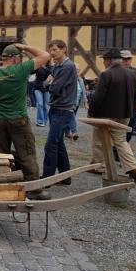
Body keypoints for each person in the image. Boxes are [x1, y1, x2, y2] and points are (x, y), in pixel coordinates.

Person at [0, 43, 52, 200]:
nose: (21, 60)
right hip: (18, 119)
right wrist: (25, 46)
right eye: (20, 58)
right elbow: (45, 56)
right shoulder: (21, 70)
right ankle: (33, 190)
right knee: (26, 153)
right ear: (14, 59)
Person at [88, 48, 136, 182]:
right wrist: (133, 111)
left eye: (105, 60)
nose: (104, 63)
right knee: (120, 140)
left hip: (107, 114)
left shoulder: (107, 74)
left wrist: (92, 112)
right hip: (126, 114)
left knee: (99, 139)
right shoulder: (133, 74)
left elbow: (98, 96)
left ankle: (98, 166)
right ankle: (133, 167)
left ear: (110, 61)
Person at [41, 40, 77, 184]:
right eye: (51, 50)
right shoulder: (57, 66)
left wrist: (50, 82)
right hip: (56, 108)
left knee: (51, 144)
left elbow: (54, 87)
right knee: (58, 143)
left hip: (63, 109)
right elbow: (45, 83)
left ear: (64, 50)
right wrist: (50, 82)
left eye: (55, 50)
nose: (52, 53)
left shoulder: (68, 66)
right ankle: (65, 177)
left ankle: (47, 178)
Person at [121, 49, 136, 140]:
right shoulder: (115, 71)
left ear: (131, 59)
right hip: (119, 104)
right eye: (124, 59)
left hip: (133, 105)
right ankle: (117, 147)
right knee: (118, 128)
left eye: (128, 58)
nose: (126, 61)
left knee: (130, 127)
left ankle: (125, 144)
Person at [65, 63, 87, 141]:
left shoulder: (80, 79)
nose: (77, 71)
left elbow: (83, 91)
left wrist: (85, 102)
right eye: (76, 70)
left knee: (69, 117)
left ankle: (67, 132)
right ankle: (74, 132)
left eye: (78, 70)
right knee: (71, 116)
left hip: (77, 102)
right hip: (69, 102)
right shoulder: (68, 78)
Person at [33, 62, 52, 127]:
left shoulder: (49, 67)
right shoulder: (38, 66)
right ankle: (40, 121)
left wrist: (44, 67)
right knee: (40, 104)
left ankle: (45, 120)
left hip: (46, 88)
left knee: (46, 106)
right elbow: (31, 72)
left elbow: (51, 73)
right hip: (37, 88)